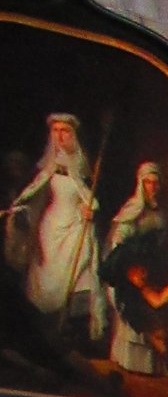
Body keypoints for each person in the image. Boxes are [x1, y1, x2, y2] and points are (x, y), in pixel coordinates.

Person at [3, 114, 106, 348]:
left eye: (65, 131)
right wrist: (20, 211)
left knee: (82, 274)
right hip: (50, 229)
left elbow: (87, 196)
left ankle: (72, 332)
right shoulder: (49, 165)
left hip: (75, 228)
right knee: (45, 280)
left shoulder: (81, 165)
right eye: (55, 131)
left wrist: (89, 211)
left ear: (73, 135)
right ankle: (39, 332)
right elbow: (34, 195)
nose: (60, 136)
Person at [101, 161, 168, 384]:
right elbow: (120, 241)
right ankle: (130, 365)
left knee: (158, 319)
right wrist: (131, 263)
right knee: (136, 318)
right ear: (140, 184)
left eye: (155, 183)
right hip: (135, 271)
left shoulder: (162, 213)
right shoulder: (131, 211)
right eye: (148, 183)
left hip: (157, 271)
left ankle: (161, 369)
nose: (152, 187)